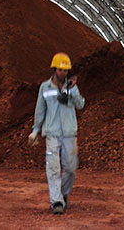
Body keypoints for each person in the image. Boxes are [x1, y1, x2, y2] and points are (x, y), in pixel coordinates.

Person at [29, 52, 84, 214]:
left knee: (71, 168)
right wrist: (35, 130)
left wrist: (73, 92)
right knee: (53, 168)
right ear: (54, 69)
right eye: (60, 70)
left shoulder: (72, 87)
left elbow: (80, 105)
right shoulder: (44, 88)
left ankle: (63, 194)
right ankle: (57, 202)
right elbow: (40, 110)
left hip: (69, 133)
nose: (63, 73)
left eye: (66, 70)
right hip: (52, 133)